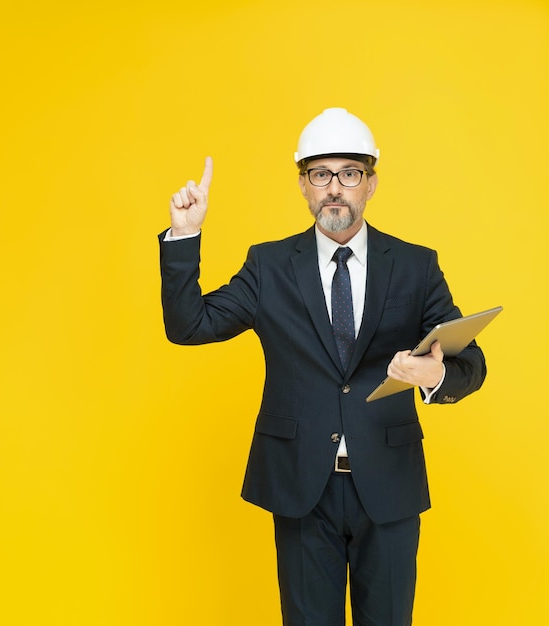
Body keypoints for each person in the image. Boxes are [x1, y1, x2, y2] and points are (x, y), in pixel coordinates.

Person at [158, 108, 487, 626]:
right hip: (301, 487)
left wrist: (435, 377)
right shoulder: (268, 266)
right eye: (320, 175)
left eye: (349, 174)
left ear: (370, 184)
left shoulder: (415, 264)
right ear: (304, 186)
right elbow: (190, 326)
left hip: (389, 484)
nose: (335, 188)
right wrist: (184, 237)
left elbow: (470, 360)